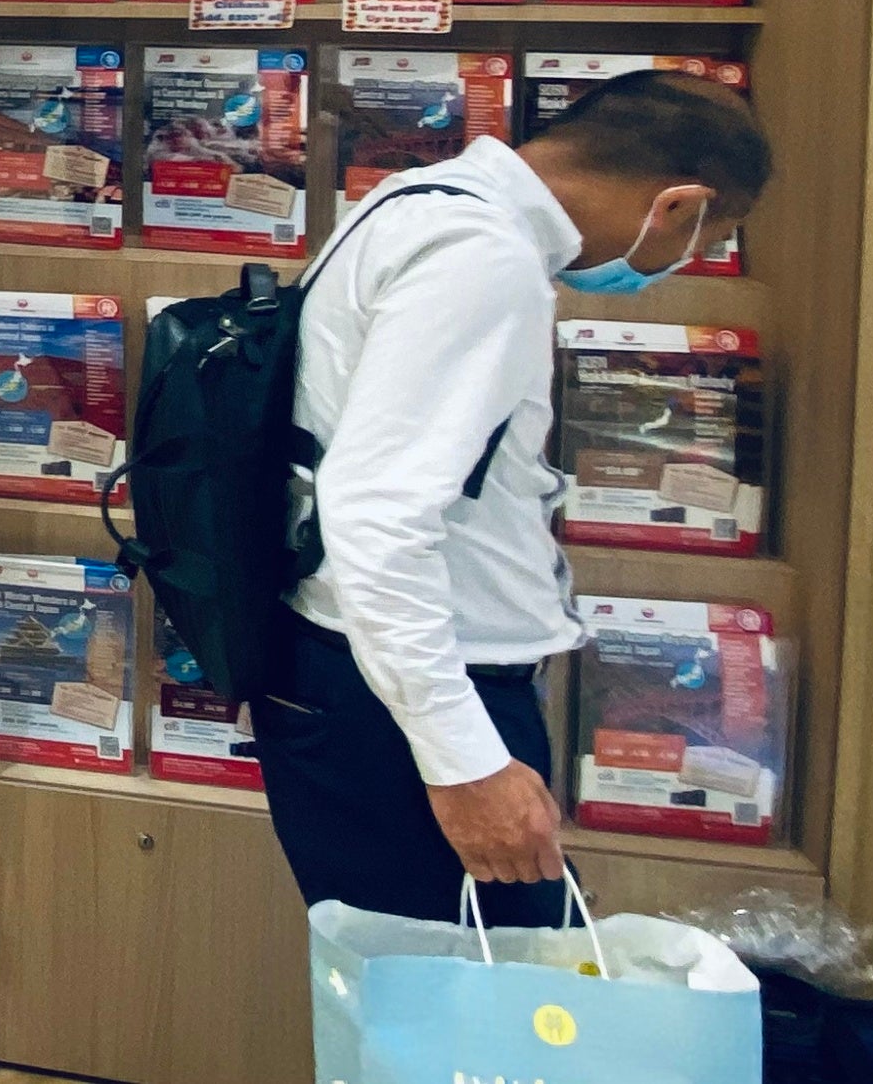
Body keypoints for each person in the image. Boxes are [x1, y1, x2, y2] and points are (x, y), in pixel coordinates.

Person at [253, 69, 772, 925]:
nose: (689, 262)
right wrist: (463, 763)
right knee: (470, 987)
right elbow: (377, 512)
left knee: (417, 974)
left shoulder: (418, 202)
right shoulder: (481, 256)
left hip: (363, 670)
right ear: (677, 205)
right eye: (705, 241)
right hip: (409, 694)